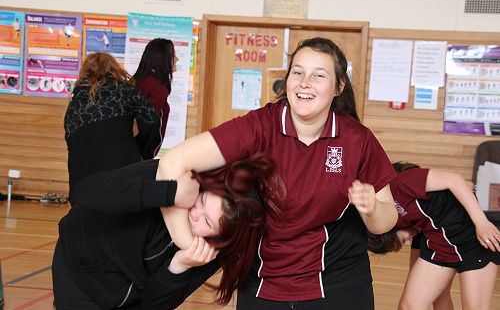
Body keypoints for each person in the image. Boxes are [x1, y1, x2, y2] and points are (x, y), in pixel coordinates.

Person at [156, 37, 398, 309]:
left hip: (339, 284)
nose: (305, 82)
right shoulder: (258, 127)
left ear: (339, 86)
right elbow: (171, 164)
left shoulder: (357, 139)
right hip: (262, 285)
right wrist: (188, 244)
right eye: (298, 72)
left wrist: (372, 208)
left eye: (318, 75)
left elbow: (386, 221)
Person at [52, 153, 286, 309]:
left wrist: (180, 266)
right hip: (80, 266)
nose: (195, 213)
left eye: (207, 221)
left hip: (127, 295)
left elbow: (153, 305)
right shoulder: (173, 178)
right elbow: (85, 192)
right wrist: (168, 193)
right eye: (202, 201)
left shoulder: (210, 249)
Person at [367, 162, 500, 310]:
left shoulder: (401, 182)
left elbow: (455, 181)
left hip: (472, 239)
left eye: (400, 241)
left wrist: (481, 222)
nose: (405, 244)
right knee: (415, 305)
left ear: (389, 229)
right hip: (440, 244)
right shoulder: (400, 218)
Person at [64, 52, 161, 201]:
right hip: (121, 171)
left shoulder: (75, 101)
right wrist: (141, 148)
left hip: (83, 181)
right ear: (113, 69)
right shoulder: (124, 90)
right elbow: (151, 117)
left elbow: (72, 142)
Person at [133, 38, 178, 139]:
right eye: (173, 56)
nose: (177, 59)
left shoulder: (139, 79)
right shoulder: (157, 88)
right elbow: (141, 126)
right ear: (163, 58)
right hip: (136, 151)